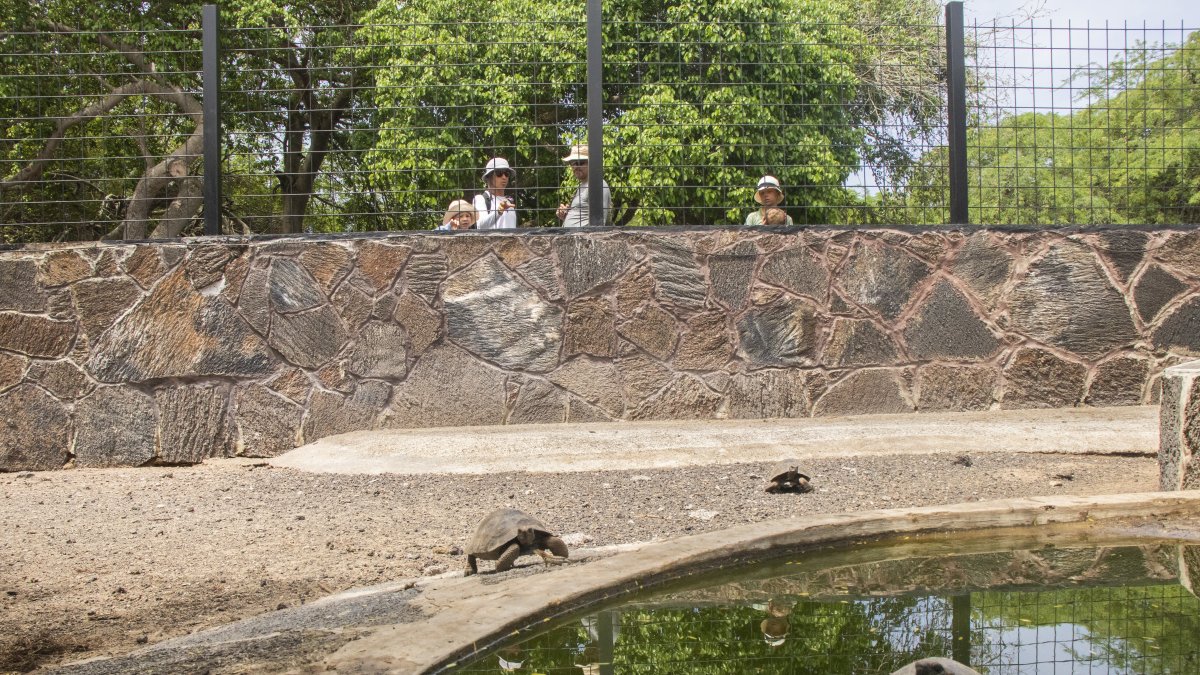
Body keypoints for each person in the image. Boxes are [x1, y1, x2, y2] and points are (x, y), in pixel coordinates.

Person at [557, 145, 612, 228]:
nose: (575, 167)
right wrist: (565, 216)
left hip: (584, 239)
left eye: (580, 162)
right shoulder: (581, 186)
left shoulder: (597, 184)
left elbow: (599, 224)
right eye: (572, 163)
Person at [474, 157, 518, 230]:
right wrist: (499, 211)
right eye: (499, 173)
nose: (504, 177)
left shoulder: (509, 202)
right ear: (489, 177)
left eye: (507, 174)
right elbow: (480, 226)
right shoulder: (481, 199)